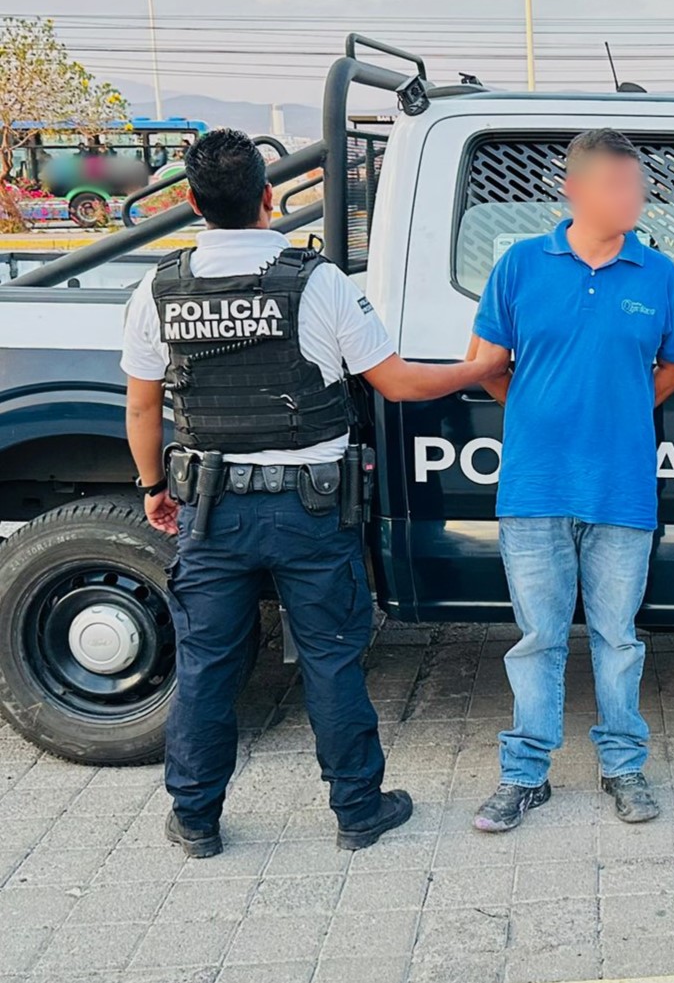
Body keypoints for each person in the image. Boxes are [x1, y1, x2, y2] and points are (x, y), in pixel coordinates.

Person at [124, 128, 505, 858]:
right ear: (268, 197)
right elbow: (397, 383)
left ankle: (196, 819)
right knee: (330, 657)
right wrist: (480, 369)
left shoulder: (159, 287)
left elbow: (143, 408)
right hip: (311, 509)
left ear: (193, 203)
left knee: (207, 666)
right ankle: (358, 810)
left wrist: (152, 487)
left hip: (210, 510)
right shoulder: (318, 282)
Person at [466, 128, 674, 833]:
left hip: (622, 487)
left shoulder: (659, 275)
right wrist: (540, 411)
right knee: (538, 636)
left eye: (638, 186)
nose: (633, 197)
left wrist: (617, 411)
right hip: (534, 486)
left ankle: (622, 765)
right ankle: (524, 773)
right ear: (573, 190)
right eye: (616, 185)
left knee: (617, 638)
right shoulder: (520, 266)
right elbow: (487, 364)